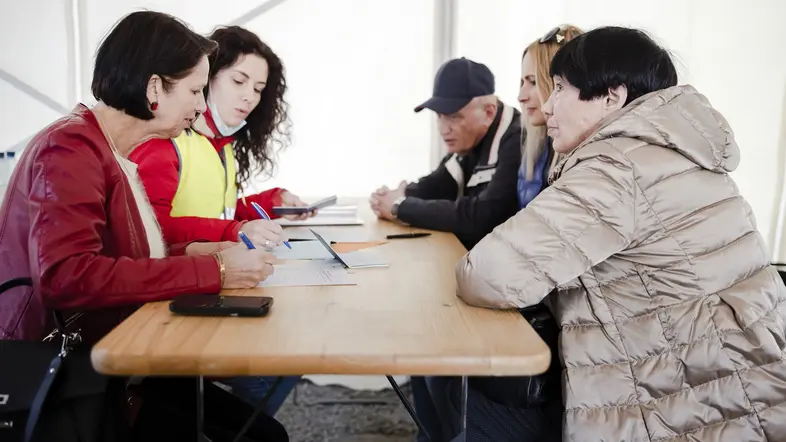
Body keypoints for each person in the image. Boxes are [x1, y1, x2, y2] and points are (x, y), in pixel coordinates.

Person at [456, 26, 786, 442]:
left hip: (682, 405)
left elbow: (487, 274)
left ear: (612, 96)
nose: (547, 102)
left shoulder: (616, 167)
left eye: (559, 88)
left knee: (469, 399)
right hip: (739, 384)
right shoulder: (678, 150)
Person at [0, 11, 286, 441]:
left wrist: (192, 252)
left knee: (264, 433)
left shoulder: (109, 149)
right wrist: (217, 271)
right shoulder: (69, 148)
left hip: (116, 354)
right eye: (193, 90)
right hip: (69, 377)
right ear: (154, 88)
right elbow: (66, 277)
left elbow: (116, 257)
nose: (199, 104)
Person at [411, 26, 583, 442]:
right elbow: (436, 189)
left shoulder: (525, 140)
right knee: (426, 353)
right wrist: (403, 198)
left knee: (443, 364)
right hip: (533, 301)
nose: (523, 95)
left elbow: (483, 217)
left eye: (535, 83)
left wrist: (402, 205)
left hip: (548, 322)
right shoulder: (532, 144)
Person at [130, 25, 312, 251]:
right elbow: (149, 230)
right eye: (238, 81)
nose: (249, 97)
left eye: (258, 89)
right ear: (206, 78)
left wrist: (273, 202)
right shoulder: (166, 141)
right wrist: (236, 231)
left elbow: (217, 215)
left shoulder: (221, 144)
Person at [369, 57, 521, 251]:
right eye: (439, 116)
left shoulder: (517, 140)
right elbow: (440, 182)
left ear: (489, 112)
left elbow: (483, 217)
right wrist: (399, 195)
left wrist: (400, 207)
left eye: (453, 117)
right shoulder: (469, 141)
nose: (443, 129)